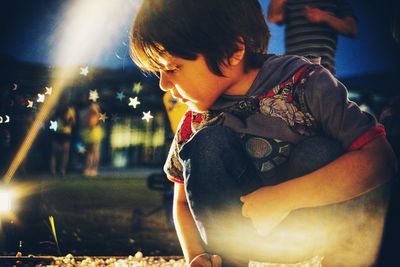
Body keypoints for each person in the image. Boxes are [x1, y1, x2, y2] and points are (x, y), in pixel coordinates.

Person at [130, 0, 396, 266]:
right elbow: (183, 204)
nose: (164, 84)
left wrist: (284, 198)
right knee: (207, 143)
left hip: (314, 233)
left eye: (173, 68)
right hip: (241, 240)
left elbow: (380, 159)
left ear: (232, 51)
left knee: (320, 151)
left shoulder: (306, 82)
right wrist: (196, 255)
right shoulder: (196, 121)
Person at [267, 0, 357, 75]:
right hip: (293, 70)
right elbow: (273, 17)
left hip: (324, 70)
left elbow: (351, 29)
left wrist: (325, 17)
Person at [49, 100, 77, 177]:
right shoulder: (70, 110)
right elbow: (73, 122)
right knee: (64, 153)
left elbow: (50, 118)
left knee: (54, 153)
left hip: (56, 132)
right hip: (65, 132)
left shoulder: (55, 109)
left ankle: (53, 171)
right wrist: (68, 122)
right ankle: (62, 170)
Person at [79, 102, 103, 177]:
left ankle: (93, 168)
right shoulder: (86, 111)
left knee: (94, 151)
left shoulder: (95, 110)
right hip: (87, 132)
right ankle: (88, 168)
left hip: (93, 131)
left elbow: (99, 119)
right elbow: (83, 121)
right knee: (89, 152)